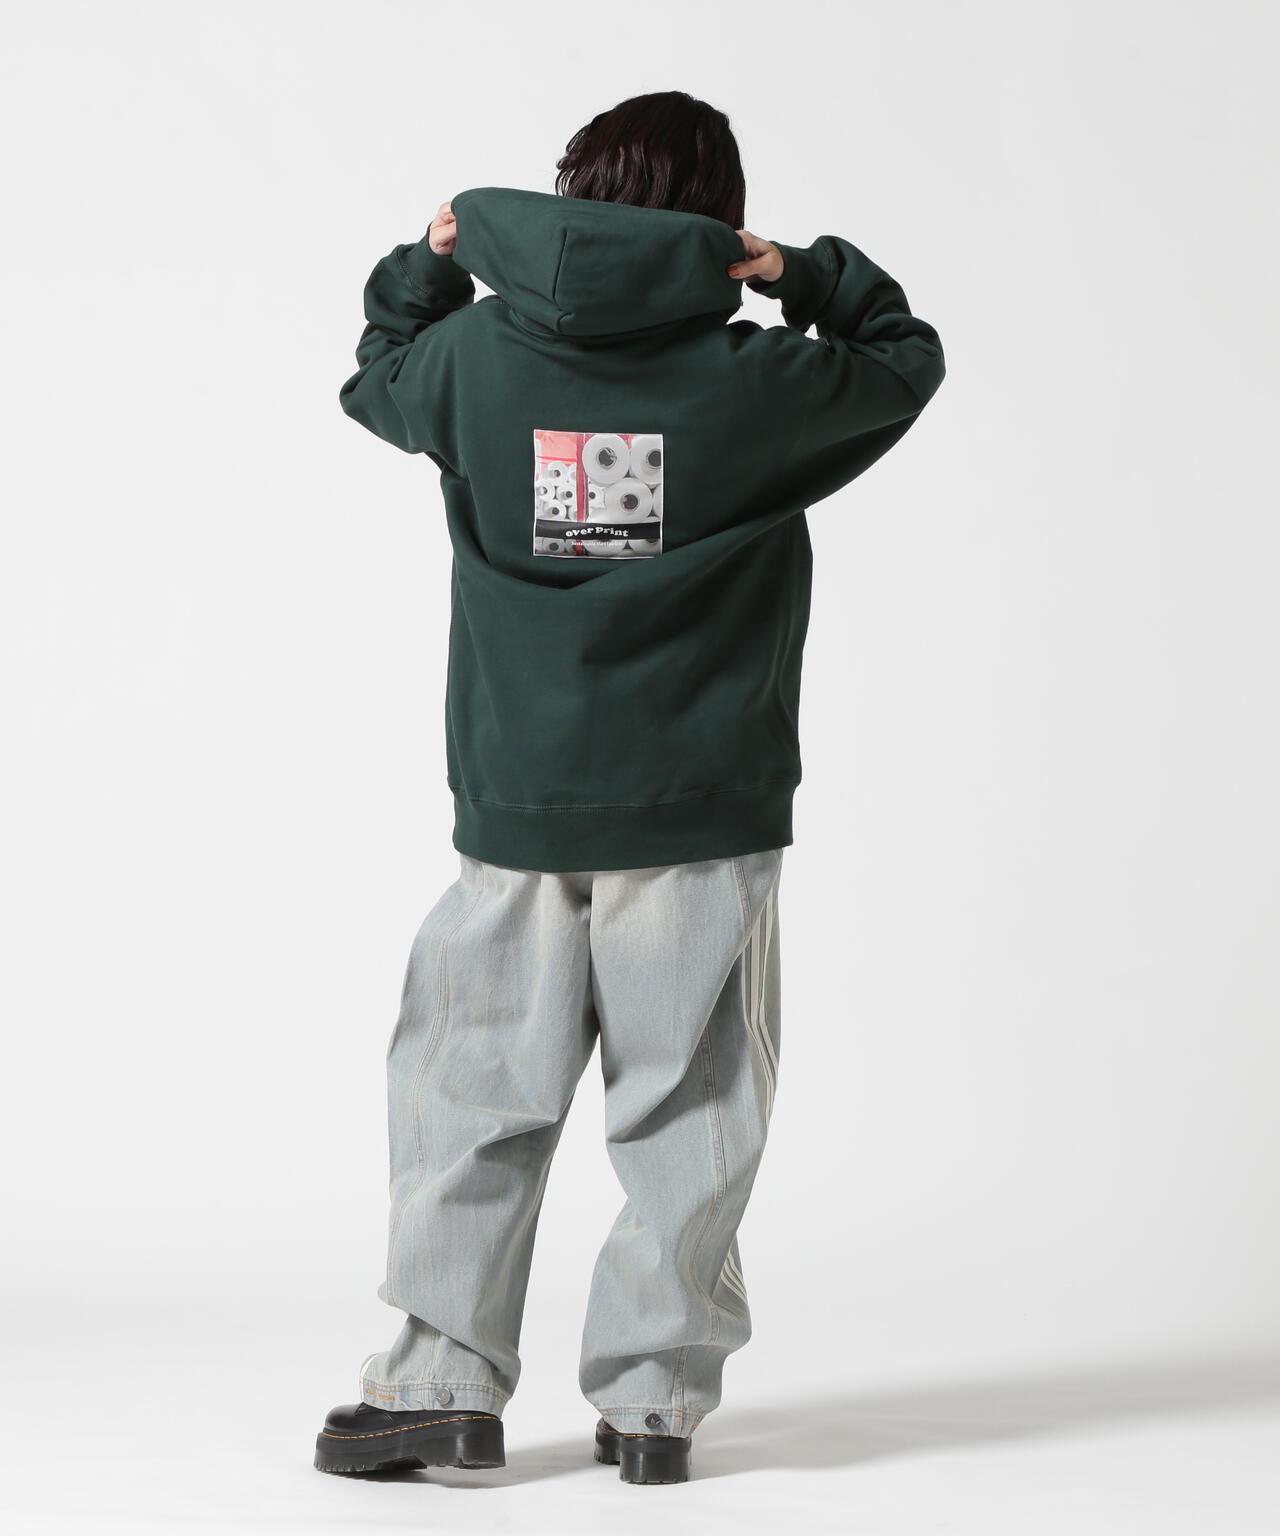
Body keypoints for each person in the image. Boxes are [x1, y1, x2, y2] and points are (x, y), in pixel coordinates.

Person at [314, 90, 946, 1487]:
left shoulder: (473, 359)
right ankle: (654, 1406)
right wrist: (800, 274)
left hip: (521, 806)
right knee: (693, 1108)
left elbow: (377, 371)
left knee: (472, 1092)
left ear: (573, 191)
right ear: (718, 219)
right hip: (702, 807)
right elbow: (902, 360)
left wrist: (429, 260)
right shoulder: (760, 384)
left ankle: (440, 1387)